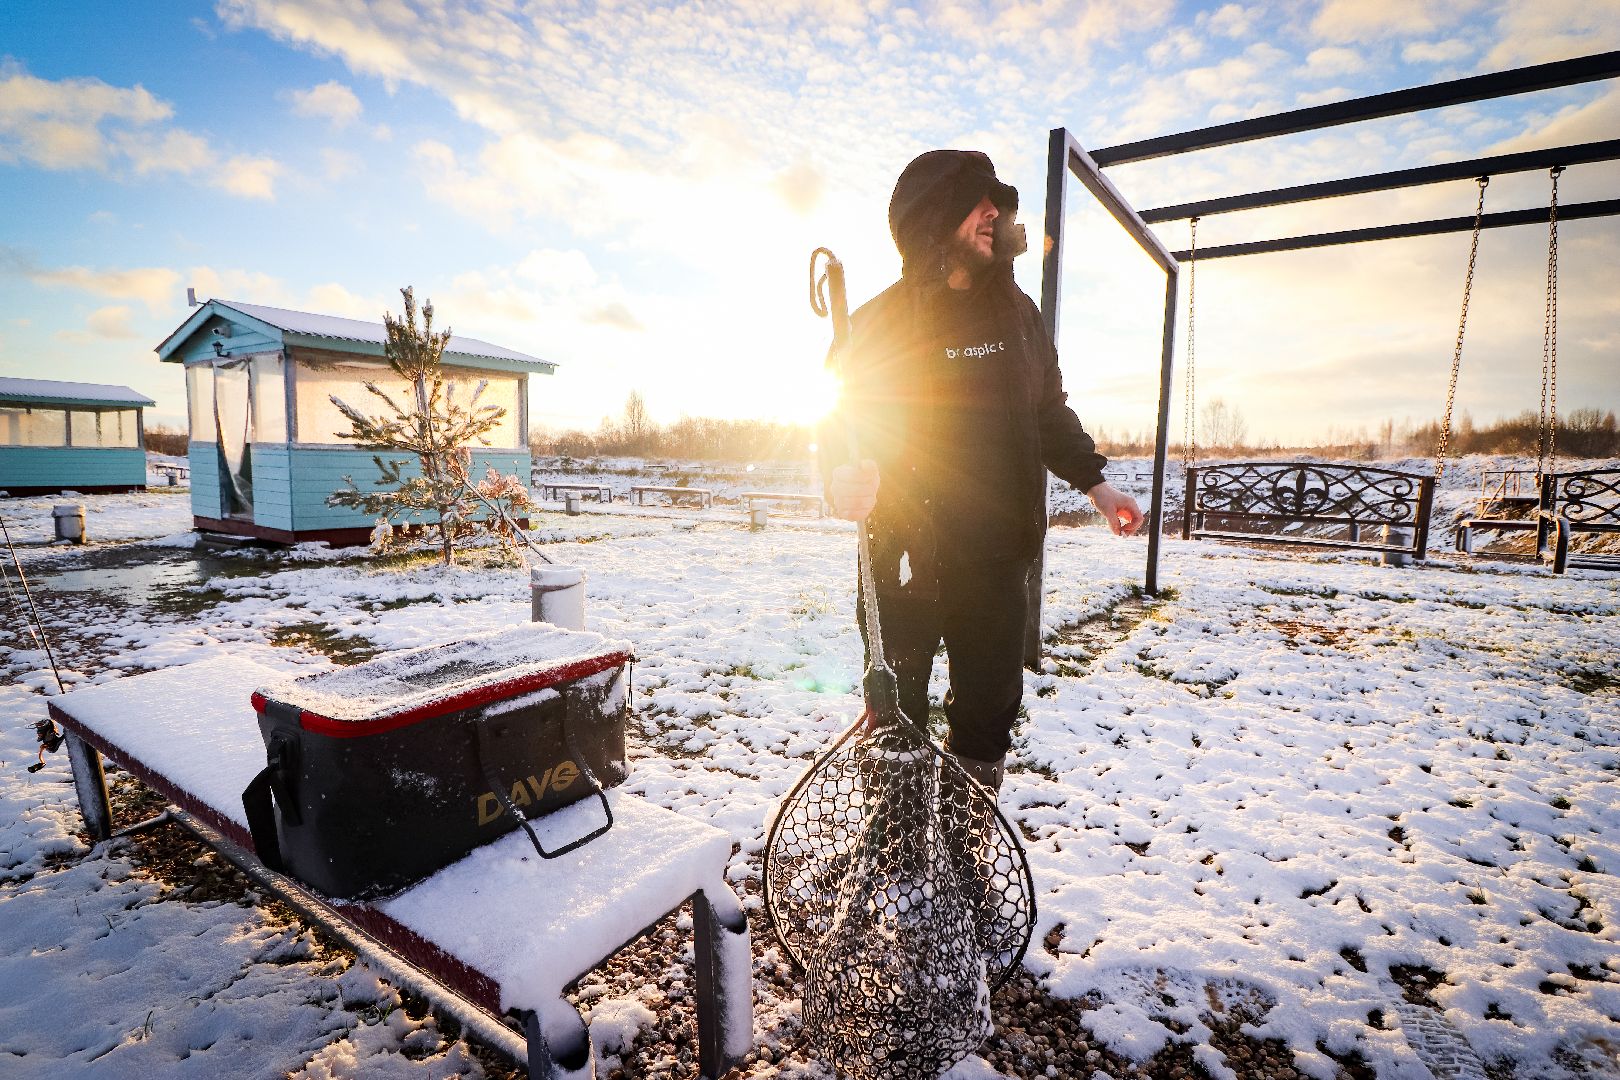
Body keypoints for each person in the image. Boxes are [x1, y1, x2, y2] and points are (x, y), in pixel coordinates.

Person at [823, 149, 1142, 793]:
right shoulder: (878, 322)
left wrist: (1097, 484)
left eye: (998, 201)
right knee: (897, 713)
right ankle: (897, 836)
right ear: (935, 218)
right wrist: (838, 477)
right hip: (904, 556)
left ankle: (968, 838)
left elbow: (1048, 411)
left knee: (990, 709)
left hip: (997, 561)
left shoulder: (1019, 317)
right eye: (978, 201)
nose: (995, 212)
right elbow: (841, 421)